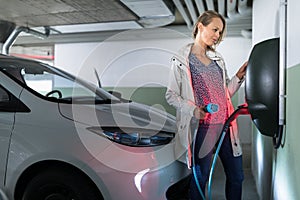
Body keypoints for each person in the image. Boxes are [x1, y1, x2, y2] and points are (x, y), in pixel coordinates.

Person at [165, 10, 248, 200]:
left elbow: (225, 92)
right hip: (203, 128)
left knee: (237, 176)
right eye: (215, 30)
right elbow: (170, 95)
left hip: (226, 125)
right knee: (200, 180)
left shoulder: (217, 59)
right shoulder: (180, 61)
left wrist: (238, 77)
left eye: (220, 32)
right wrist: (194, 110)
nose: (218, 36)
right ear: (200, 26)